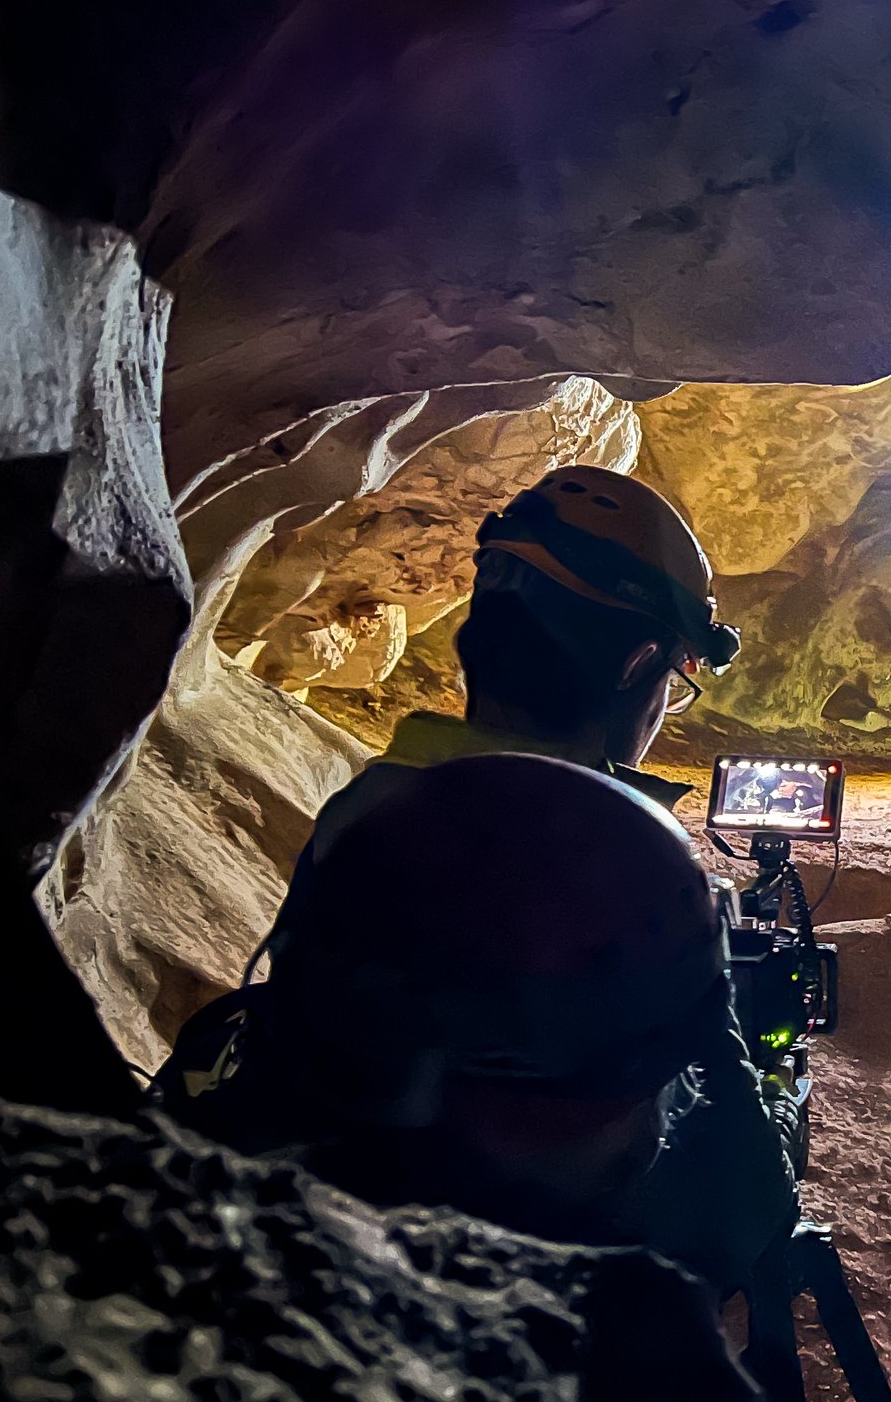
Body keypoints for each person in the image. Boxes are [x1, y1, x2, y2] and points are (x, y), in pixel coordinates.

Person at [162, 465, 798, 1292]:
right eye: (672, 677)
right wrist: (777, 1104)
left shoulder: (365, 810)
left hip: (331, 1246)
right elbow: (741, 1214)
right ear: (639, 660)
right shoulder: (624, 863)